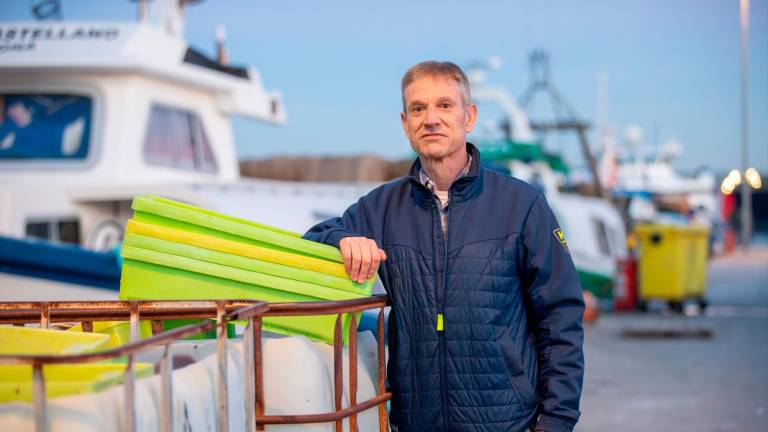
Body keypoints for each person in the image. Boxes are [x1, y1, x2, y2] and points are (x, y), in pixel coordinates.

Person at [303, 61, 584, 432]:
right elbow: (314, 239)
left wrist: (556, 422)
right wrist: (344, 240)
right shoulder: (382, 207)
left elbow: (560, 319)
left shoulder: (522, 205)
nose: (431, 119)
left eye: (445, 106)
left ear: (469, 117)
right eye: (418, 108)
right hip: (417, 423)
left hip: (508, 422)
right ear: (406, 124)